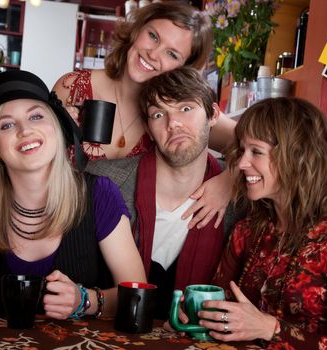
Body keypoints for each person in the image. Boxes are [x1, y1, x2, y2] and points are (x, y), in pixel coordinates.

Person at [0, 70, 146, 323]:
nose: (25, 130)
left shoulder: (99, 194)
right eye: (7, 124)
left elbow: (137, 296)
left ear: (57, 128)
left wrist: (84, 300)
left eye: (36, 116)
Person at [53, 1, 236, 230]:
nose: (153, 53)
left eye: (171, 53)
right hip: (61, 226)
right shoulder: (74, 87)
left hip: (127, 243)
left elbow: (256, 144)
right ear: (138, 29)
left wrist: (228, 182)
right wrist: (56, 130)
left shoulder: (176, 116)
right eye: (153, 36)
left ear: (183, 68)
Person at [86, 67, 241, 320]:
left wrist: (233, 176)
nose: (173, 124)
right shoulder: (103, 181)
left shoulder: (241, 198)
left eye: (186, 108)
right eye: (158, 114)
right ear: (148, 128)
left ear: (213, 115)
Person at [191, 97, 327, 348]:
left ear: (298, 157)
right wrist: (200, 317)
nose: (241, 163)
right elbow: (221, 311)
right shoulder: (247, 231)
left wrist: (269, 328)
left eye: (256, 151)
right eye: (242, 150)